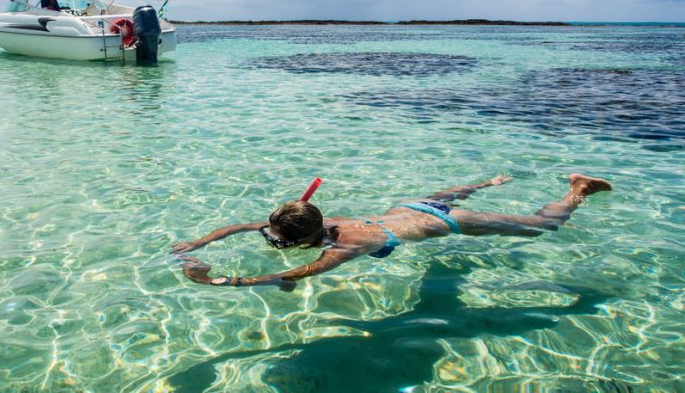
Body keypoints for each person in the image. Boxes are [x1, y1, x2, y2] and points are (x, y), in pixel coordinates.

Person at [172, 174, 612, 290]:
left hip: (442, 222)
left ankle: (578, 190)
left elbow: (292, 276)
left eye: (280, 241)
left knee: (542, 228)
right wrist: (197, 243)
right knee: (444, 195)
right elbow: (239, 226)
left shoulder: (346, 246)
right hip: (406, 209)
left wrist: (222, 281)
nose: (272, 241)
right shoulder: (323, 223)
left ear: (307, 237)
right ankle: (483, 182)